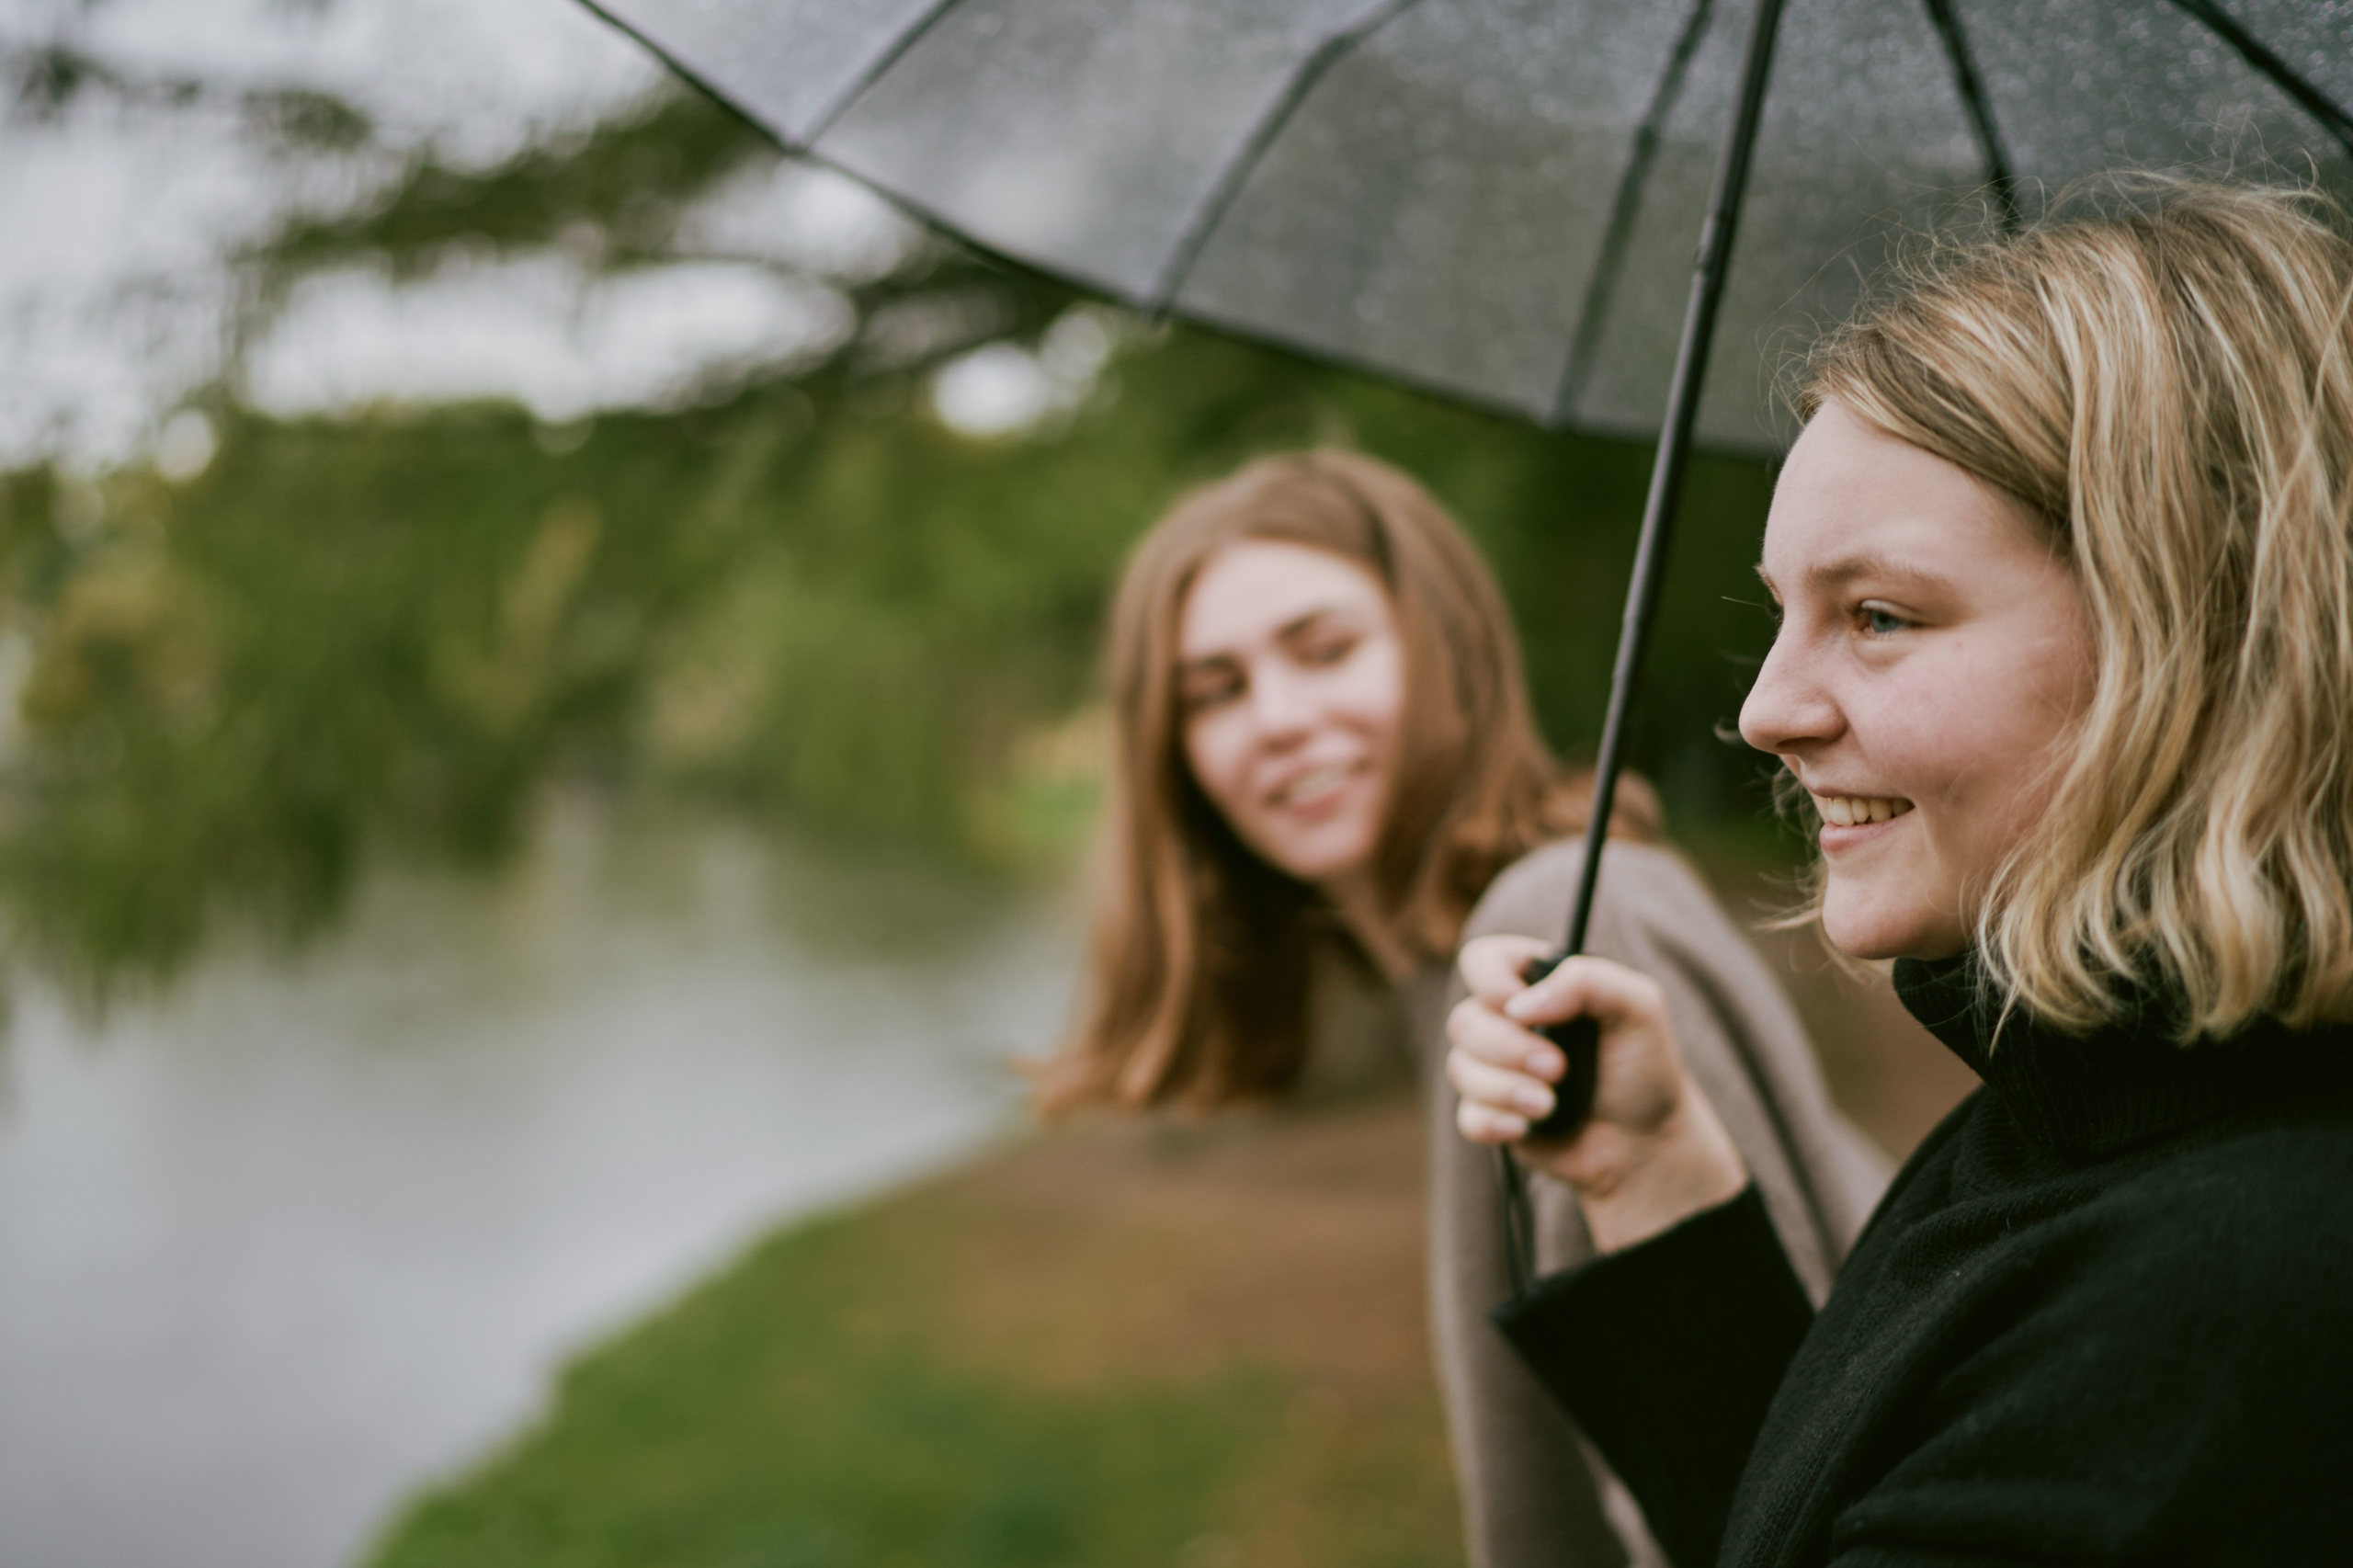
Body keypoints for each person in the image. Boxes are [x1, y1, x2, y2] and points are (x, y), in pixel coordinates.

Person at [1447, 179, 2353, 1567]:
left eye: (1877, 615)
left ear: (2198, 637)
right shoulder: (2080, 1105)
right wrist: (1647, 1171)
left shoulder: (2236, 1293)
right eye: (1781, 612)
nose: (1765, 708)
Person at [1035, 449, 1889, 1568]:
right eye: (1217, 690)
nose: (1278, 718)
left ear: (1444, 648)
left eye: (1325, 648)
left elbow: (1779, 1452)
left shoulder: (1562, 924)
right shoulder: (1457, 960)